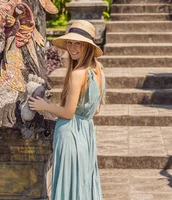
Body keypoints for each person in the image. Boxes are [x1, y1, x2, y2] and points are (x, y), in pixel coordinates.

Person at [29, 20, 105, 200]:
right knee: (82, 183)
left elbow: (68, 113)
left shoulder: (77, 74)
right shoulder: (98, 69)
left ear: (87, 45)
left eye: (78, 43)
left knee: (68, 185)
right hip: (86, 134)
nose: (72, 47)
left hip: (69, 134)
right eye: (70, 42)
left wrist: (44, 106)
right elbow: (96, 110)